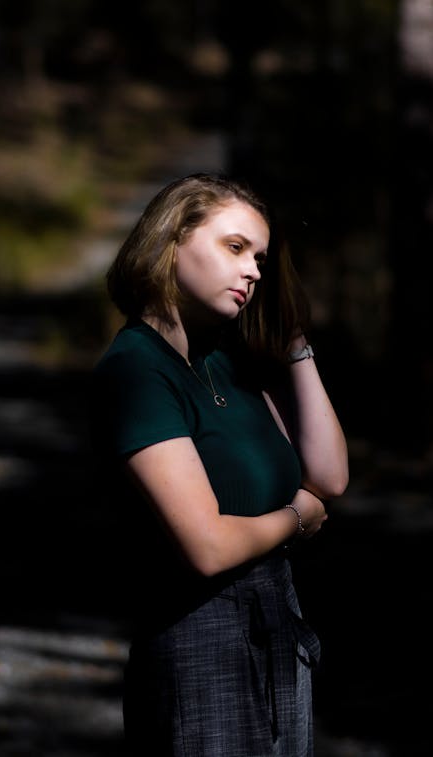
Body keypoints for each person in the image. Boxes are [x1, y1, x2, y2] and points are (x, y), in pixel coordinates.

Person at [92, 172, 348, 756]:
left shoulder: (223, 362)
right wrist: (297, 519)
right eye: (235, 248)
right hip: (199, 644)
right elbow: (205, 546)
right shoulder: (137, 369)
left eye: (259, 256)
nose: (255, 270)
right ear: (172, 240)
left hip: (278, 627)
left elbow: (328, 477)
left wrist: (296, 346)